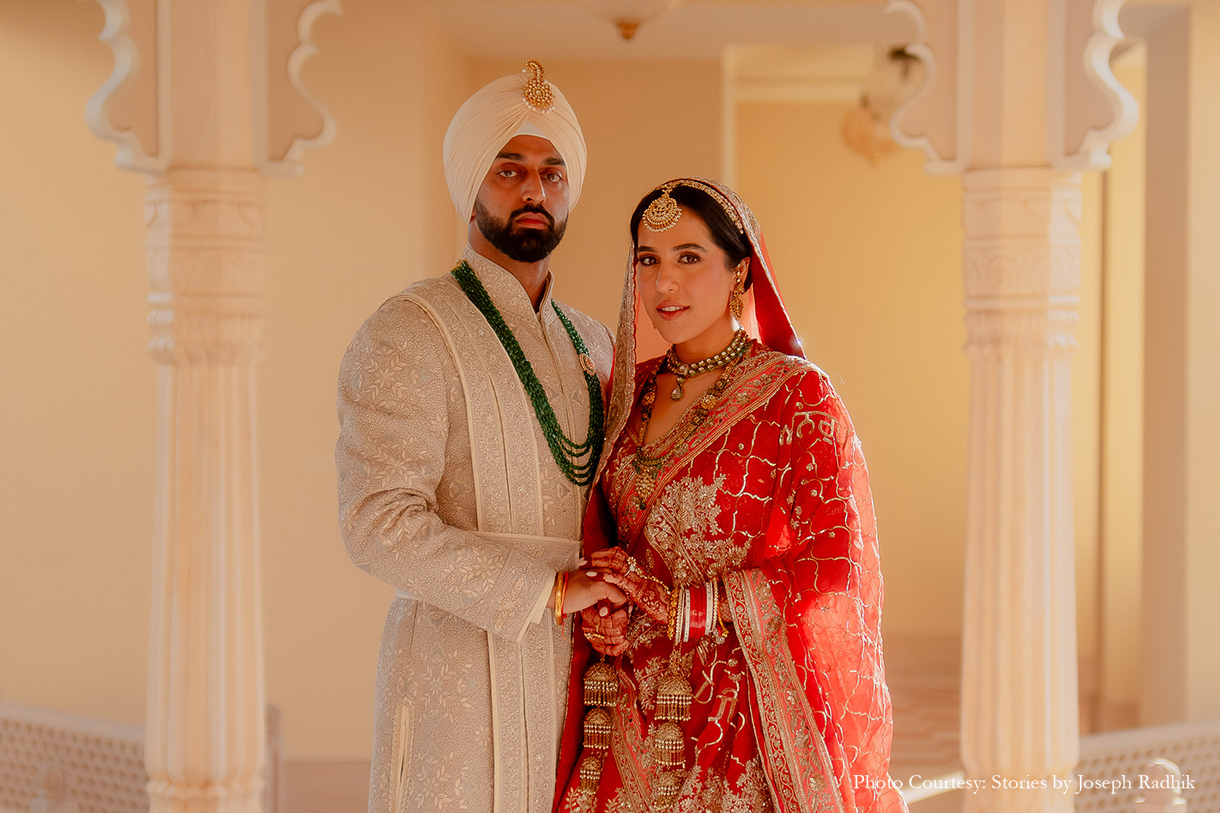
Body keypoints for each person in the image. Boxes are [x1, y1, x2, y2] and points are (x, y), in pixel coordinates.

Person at [553, 178, 907, 813]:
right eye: (648, 260)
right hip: (626, 699)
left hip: (740, 701)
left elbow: (835, 559)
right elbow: (605, 529)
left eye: (690, 258)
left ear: (740, 271)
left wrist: (692, 607)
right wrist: (603, 602)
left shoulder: (795, 396)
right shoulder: (626, 395)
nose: (665, 283)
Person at [335, 61, 625, 813]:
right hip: (455, 674)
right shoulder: (410, 330)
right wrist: (547, 588)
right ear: (471, 183)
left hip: (579, 670)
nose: (535, 191)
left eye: (553, 173)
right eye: (511, 169)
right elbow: (376, 523)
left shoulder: (593, 341)